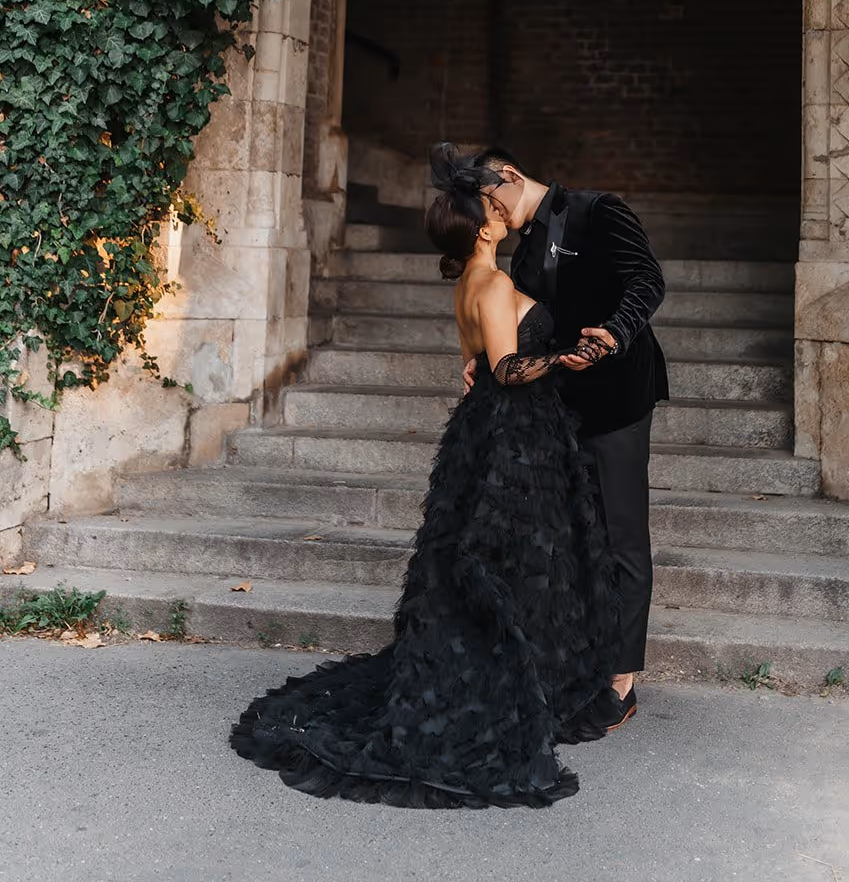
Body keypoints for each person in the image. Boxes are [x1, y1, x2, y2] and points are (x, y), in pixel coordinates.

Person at [229, 143, 619, 809]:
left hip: (485, 431)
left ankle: (534, 680)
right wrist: (573, 354)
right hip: (512, 441)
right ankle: (515, 688)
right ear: (484, 223)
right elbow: (504, 370)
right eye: (492, 204)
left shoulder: (469, 284)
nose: (501, 206)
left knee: (502, 563)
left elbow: (473, 364)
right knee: (511, 563)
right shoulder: (493, 286)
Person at [470, 147, 668, 731]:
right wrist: (485, 361)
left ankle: (622, 680)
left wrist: (612, 333)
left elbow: (648, 281)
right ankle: (576, 660)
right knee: (574, 536)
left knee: (621, 536)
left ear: (509, 175)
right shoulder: (523, 248)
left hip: (619, 400)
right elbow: (529, 327)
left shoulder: (598, 210)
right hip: (560, 407)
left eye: (488, 200)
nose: (490, 214)